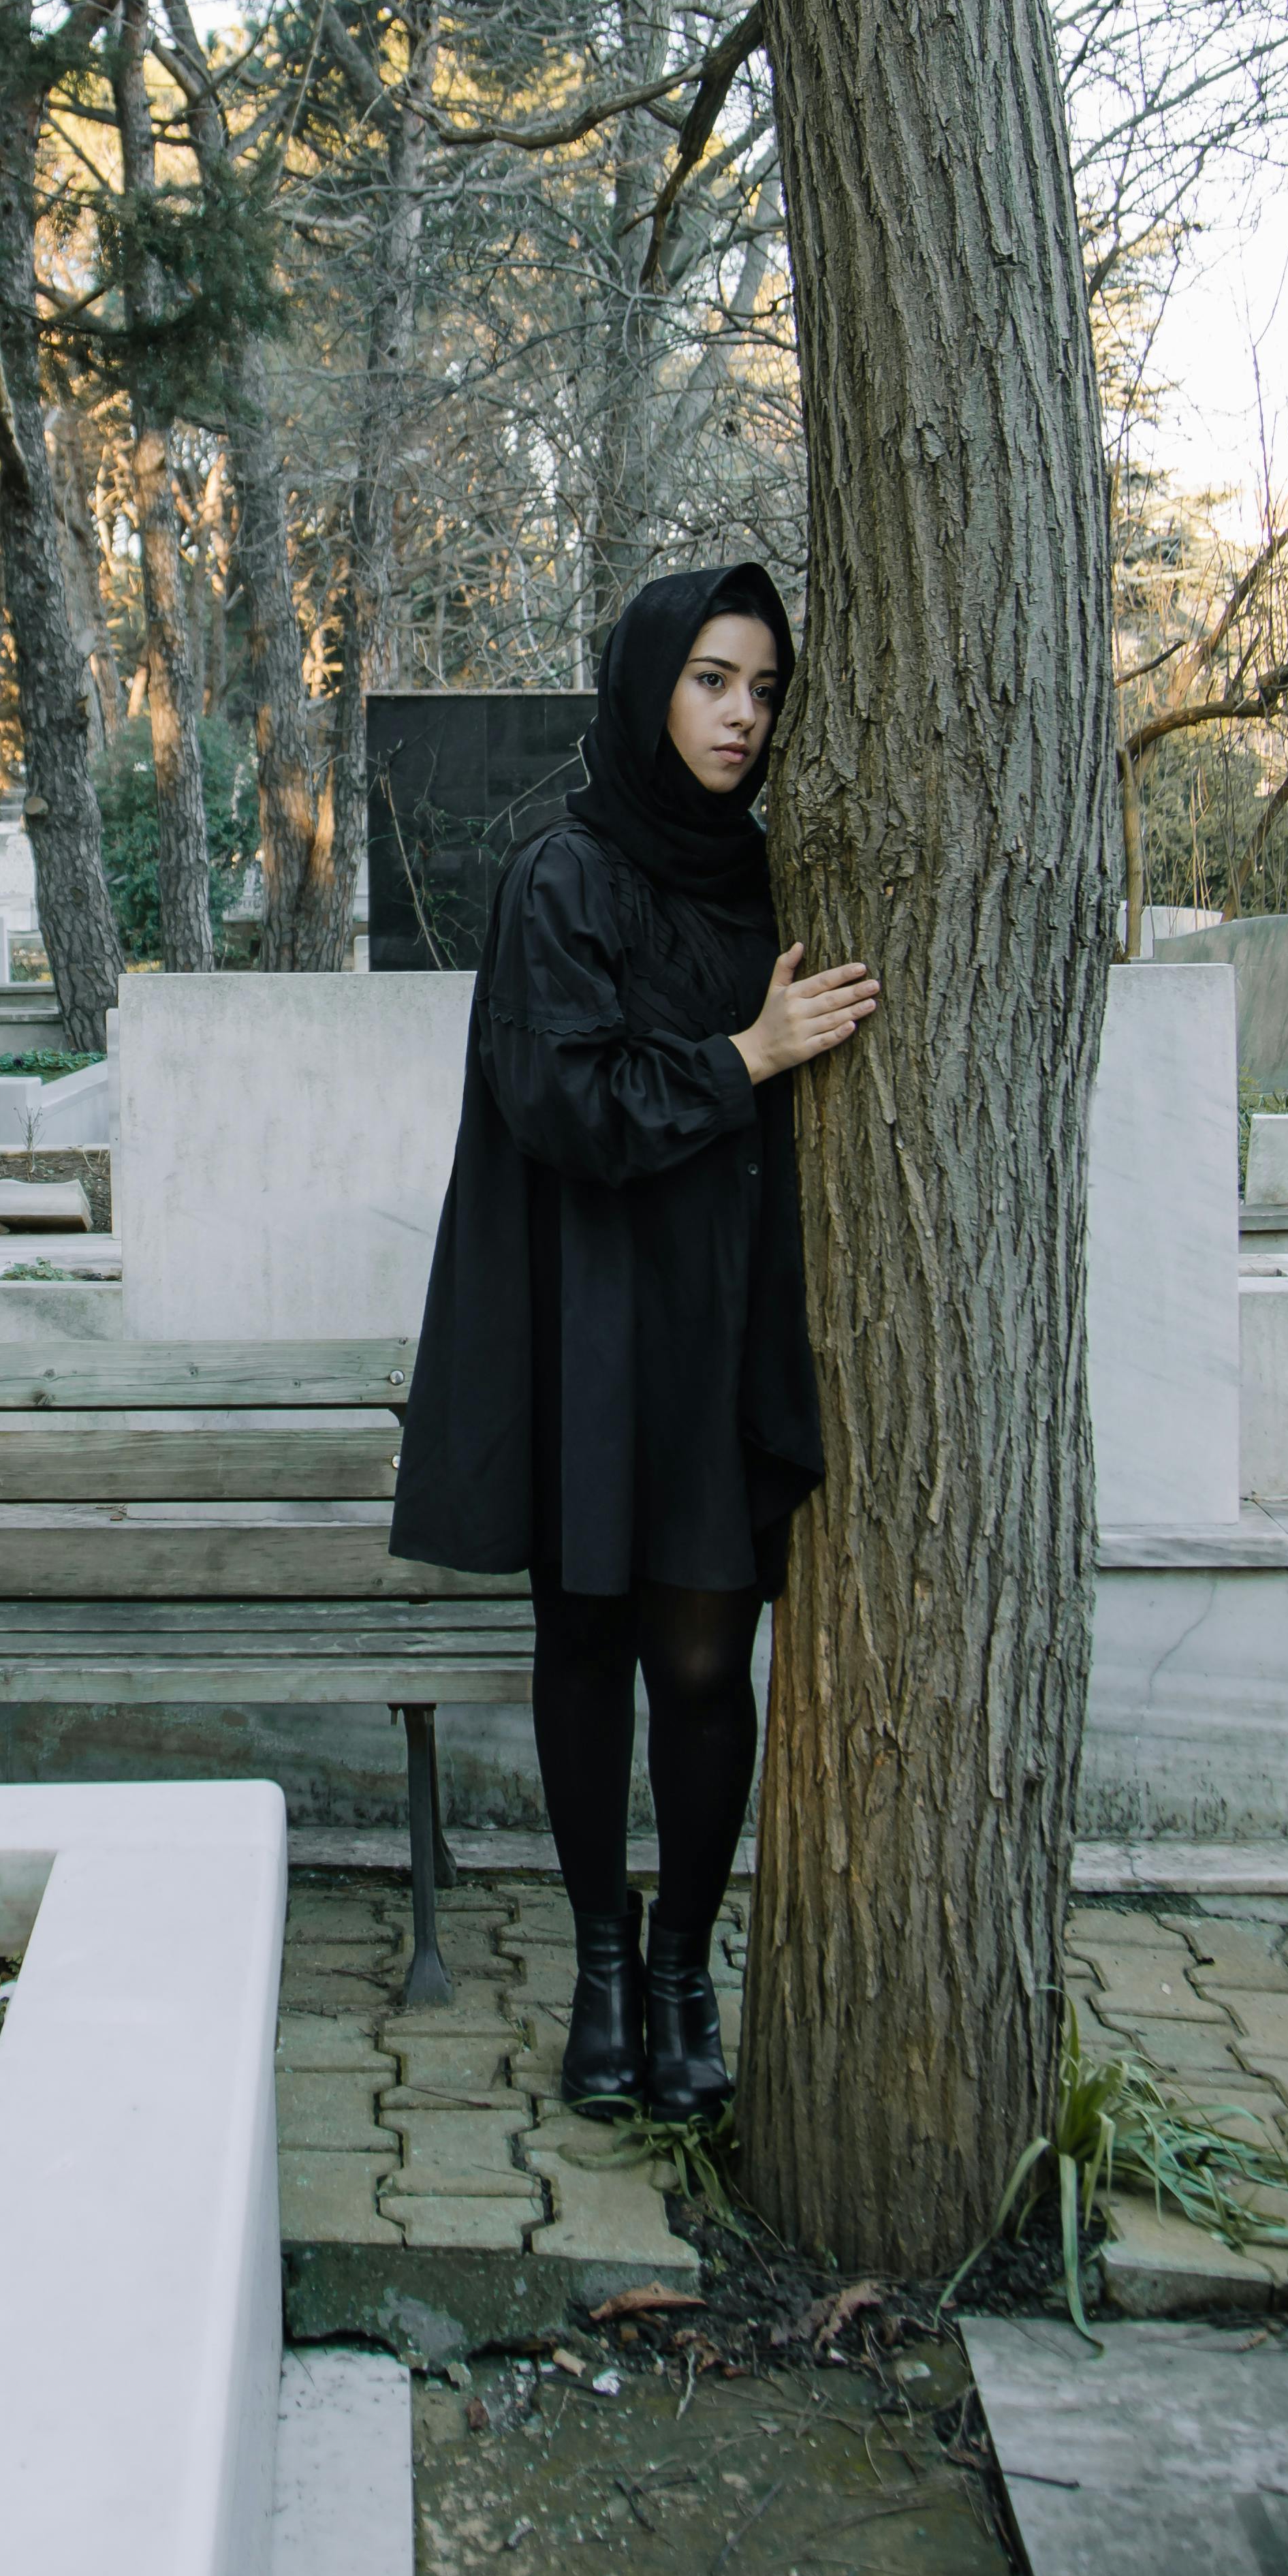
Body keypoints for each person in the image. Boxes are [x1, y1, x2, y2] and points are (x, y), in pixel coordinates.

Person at [387, 565, 875, 2121]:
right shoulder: (563, 873)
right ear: (648, 685)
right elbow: (561, 1102)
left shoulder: (772, 875)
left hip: (715, 1318)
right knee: (589, 1642)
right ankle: (599, 1967)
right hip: (590, 1317)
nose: (741, 718)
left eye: (763, 691)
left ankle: (681, 1971)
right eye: (712, 681)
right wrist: (745, 1055)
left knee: (706, 1656)